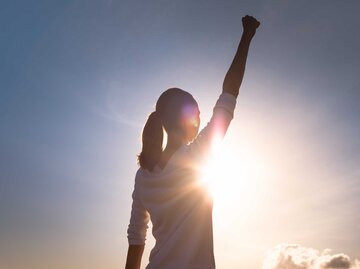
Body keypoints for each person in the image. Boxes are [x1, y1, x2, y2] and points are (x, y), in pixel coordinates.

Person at [125, 15, 260, 269]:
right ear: (187, 118)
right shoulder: (198, 156)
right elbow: (229, 94)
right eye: (197, 114)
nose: (200, 119)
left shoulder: (143, 176)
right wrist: (247, 36)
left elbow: (136, 239)